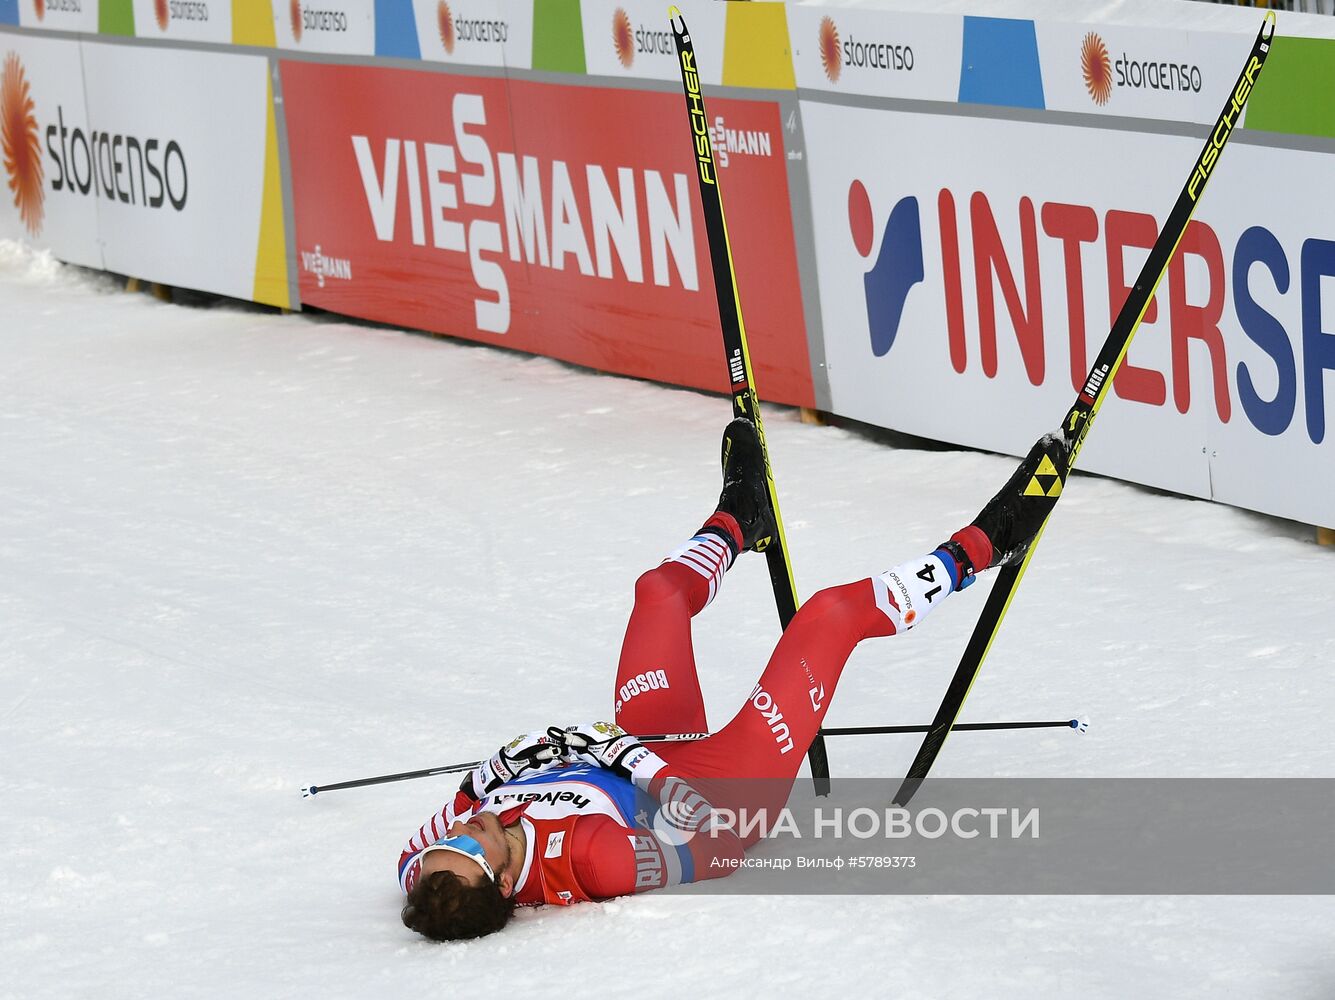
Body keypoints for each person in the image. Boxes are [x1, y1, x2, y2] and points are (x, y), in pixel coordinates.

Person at [397, 419, 1068, 941]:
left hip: (644, 748)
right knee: (826, 617)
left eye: (441, 845)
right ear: (508, 881)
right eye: (465, 844)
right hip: (720, 785)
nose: (457, 831)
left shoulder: (446, 864)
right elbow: (715, 850)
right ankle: (983, 546)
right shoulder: (594, 858)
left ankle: (738, 519)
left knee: (658, 591)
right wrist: (652, 779)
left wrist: (494, 774)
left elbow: (416, 860)